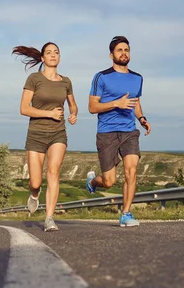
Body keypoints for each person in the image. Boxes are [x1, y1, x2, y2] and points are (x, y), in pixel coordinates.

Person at [86, 36, 151, 227]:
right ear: (111, 54)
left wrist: (142, 119)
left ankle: (126, 214)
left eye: (127, 50)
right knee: (109, 181)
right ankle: (93, 182)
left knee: (131, 170)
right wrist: (116, 103)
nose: (124, 53)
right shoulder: (102, 77)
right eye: (120, 50)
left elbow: (136, 103)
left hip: (129, 131)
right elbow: (92, 107)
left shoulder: (137, 78)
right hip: (107, 132)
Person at [14, 42, 78, 232]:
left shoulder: (66, 81)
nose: (53, 55)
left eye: (56, 52)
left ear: (59, 57)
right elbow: (24, 108)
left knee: (53, 171)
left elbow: (72, 104)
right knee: (35, 182)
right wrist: (49, 114)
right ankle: (35, 195)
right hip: (36, 133)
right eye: (49, 53)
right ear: (42, 58)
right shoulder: (34, 79)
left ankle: (49, 218)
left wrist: (73, 113)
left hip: (58, 133)